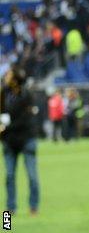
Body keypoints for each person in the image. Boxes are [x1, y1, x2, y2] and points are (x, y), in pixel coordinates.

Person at [0, 65, 40, 215]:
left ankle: (33, 207)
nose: (6, 76)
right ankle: (9, 212)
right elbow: (2, 116)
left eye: (9, 74)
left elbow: (25, 120)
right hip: (9, 141)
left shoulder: (27, 95)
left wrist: (5, 128)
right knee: (9, 176)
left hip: (26, 139)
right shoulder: (3, 94)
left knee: (32, 175)